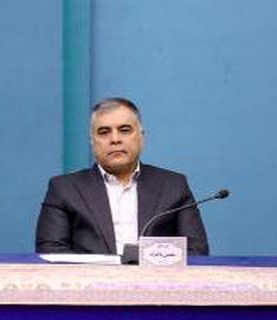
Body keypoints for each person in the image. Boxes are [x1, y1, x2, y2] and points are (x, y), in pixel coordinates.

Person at [34, 97, 209, 255]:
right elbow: (51, 252)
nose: (115, 139)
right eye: (104, 132)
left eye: (124, 130)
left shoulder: (173, 185)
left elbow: (196, 251)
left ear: (141, 138)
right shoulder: (65, 189)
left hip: (156, 280)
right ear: (92, 142)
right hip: (90, 280)